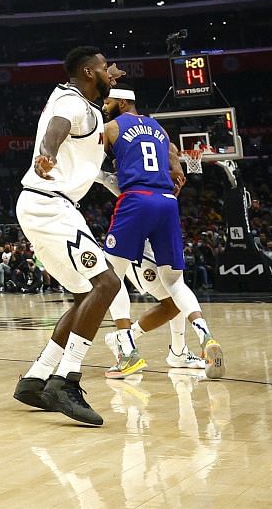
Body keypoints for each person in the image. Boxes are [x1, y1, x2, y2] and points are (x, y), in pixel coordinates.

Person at [12, 47, 129, 426]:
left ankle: (35, 379)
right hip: (50, 204)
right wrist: (46, 153)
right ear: (86, 71)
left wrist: (108, 78)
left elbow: (96, 115)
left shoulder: (89, 106)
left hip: (44, 205)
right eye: (101, 66)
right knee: (108, 283)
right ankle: (66, 380)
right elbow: (56, 129)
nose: (108, 72)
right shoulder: (69, 102)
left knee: (86, 295)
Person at [96, 85, 225, 379]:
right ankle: (206, 336)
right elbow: (177, 166)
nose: (104, 105)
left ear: (122, 101)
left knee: (111, 278)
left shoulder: (112, 127)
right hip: (167, 203)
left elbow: (88, 159)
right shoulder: (158, 128)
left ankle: (127, 350)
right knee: (175, 283)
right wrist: (175, 173)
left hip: (136, 200)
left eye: (108, 100)